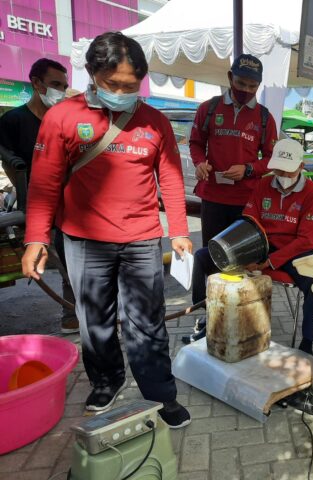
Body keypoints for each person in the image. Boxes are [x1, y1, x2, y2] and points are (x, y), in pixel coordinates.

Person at [21, 32, 192, 428]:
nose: (120, 92)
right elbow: (44, 183)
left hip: (141, 239)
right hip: (83, 240)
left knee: (146, 323)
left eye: (130, 86)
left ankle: (160, 394)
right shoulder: (62, 117)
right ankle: (106, 379)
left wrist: (179, 231)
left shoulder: (155, 122)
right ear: (93, 74)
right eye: (112, 84)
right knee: (93, 320)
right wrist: (36, 238)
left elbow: (170, 179)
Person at [190, 139, 313, 354]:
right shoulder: (263, 184)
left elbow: (306, 240)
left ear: (301, 166)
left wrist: (268, 262)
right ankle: (205, 317)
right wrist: (243, 250)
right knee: (203, 257)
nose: (283, 176)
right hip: (261, 245)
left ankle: (308, 343)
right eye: (278, 170)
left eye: (289, 171)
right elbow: (249, 220)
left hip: (295, 251)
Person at [0, 58, 78, 333]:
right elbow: (10, 162)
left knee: (74, 261)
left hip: (72, 204)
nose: (61, 90)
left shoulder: (68, 121)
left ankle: (73, 315)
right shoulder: (13, 120)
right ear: (36, 83)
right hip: (38, 205)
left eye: (64, 85)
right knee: (55, 257)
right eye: (55, 84)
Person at [189, 54, 278, 247]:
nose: (246, 90)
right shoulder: (208, 108)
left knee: (241, 257)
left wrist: (248, 169)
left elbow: (272, 159)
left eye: (252, 86)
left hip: (246, 200)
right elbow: (196, 143)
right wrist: (199, 163)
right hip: (212, 196)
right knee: (212, 253)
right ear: (230, 78)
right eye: (241, 83)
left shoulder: (265, 117)